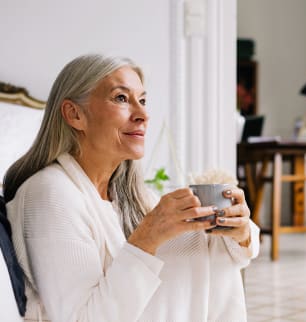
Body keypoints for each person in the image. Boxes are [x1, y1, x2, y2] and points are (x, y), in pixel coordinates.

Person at [3, 54, 259, 322]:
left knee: (206, 240)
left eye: (143, 100)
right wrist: (147, 237)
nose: (143, 115)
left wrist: (239, 232)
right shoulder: (50, 194)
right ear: (74, 114)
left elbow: (232, 252)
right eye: (121, 98)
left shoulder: (124, 194)